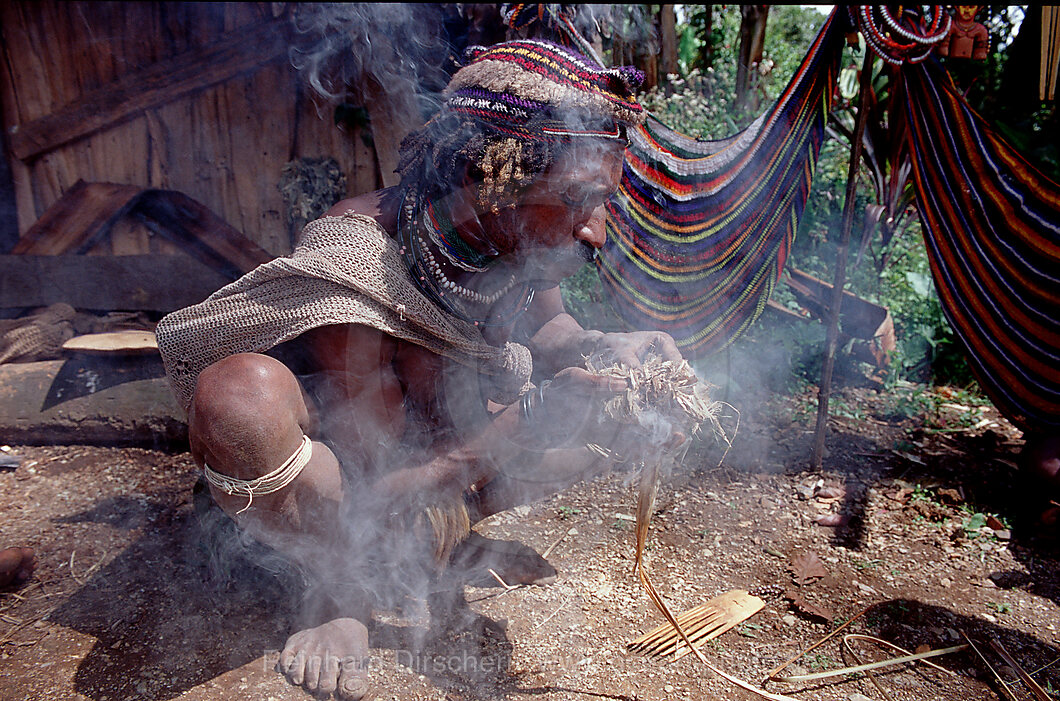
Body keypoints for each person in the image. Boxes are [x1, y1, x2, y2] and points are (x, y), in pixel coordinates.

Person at [156, 40, 686, 700]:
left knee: (618, 416)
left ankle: (432, 541)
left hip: (447, 462)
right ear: (498, 176)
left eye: (603, 200)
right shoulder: (361, 267)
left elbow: (553, 330)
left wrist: (609, 350)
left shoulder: (512, 238)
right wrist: (521, 425)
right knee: (241, 399)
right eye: (579, 199)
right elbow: (374, 486)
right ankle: (338, 593)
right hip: (341, 490)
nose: (595, 231)